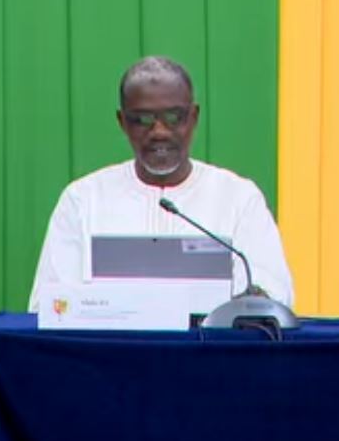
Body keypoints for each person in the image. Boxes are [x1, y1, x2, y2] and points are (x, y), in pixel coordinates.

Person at [28, 56, 293, 311]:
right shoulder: (83, 200)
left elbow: (271, 299)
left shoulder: (238, 198)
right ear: (122, 122)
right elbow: (49, 307)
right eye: (143, 120)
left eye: (174, 117)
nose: (159, 132)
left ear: (194, 117)